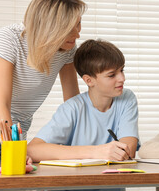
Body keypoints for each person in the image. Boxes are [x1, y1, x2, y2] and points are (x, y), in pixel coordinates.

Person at [0, 0, 87, 162]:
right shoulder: (10, 38)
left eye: (78, 23)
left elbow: (71, 102)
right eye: (69, 28)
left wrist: (85, 147)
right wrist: (15, 151)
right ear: (50, 27)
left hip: (16, 136)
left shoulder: (67, 50)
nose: (77, 33)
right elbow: (0, 105)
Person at [27, 39, 139, 191]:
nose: (122, 78)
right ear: (89, 80)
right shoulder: (72, 108)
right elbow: (32, 149)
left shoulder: (127, 98)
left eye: (122, 70)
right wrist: (96, 152)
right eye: (112, 75)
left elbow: (128, 150)